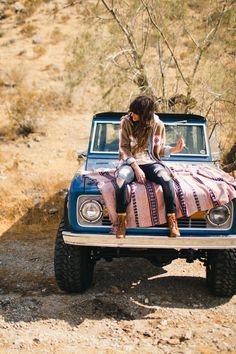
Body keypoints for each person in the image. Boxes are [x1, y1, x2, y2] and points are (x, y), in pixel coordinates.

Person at [114, 95, 185, 238]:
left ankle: (172, 221)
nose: (132, 114)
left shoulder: (158, 124)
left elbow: (159, 150)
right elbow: (123, 148)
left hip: (151, 161)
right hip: (130, 162)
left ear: (145, 115)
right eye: (131, 111)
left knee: (166, 179)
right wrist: (136, 168)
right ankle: (121, 222)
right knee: (120, 180)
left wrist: (174, 150)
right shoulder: (126, 122)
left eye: (135, 113)